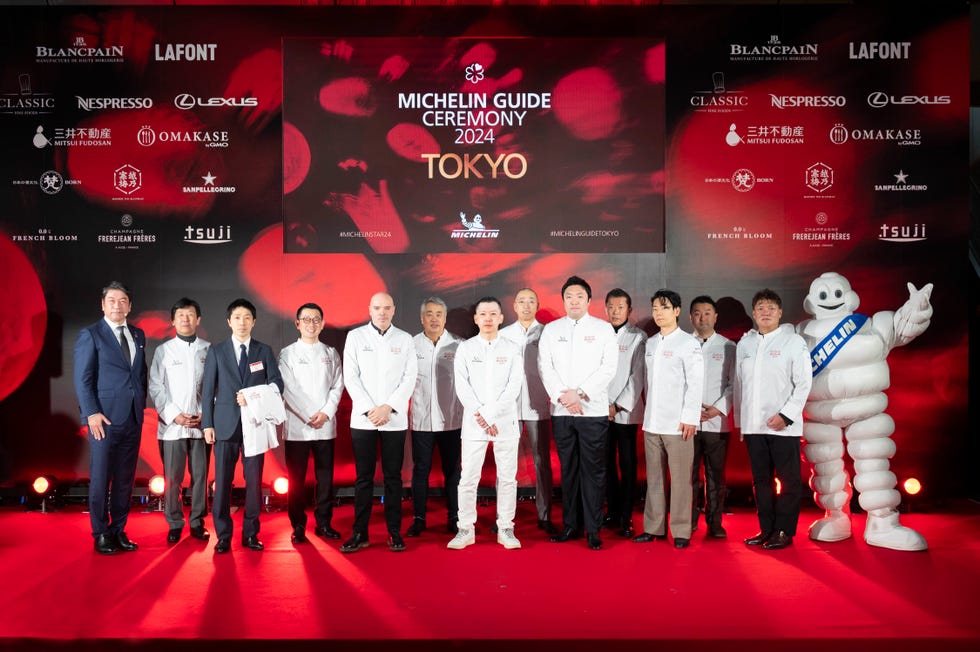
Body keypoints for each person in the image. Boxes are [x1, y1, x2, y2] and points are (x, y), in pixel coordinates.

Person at [538, 275, 618, 550]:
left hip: (592, 410)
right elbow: (544, 367)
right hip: (562, 411)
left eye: (579, 296)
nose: (574, 301)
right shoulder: (551, 330)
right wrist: (565, 396)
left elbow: (608, 368)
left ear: (588, 300)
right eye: (569, 296)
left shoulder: (604, 329)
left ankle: (593, 529)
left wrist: (580, 393)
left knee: (593, 471)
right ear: (563, 300)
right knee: (568, 470)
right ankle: (571, 525)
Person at [202, 298, 283, 554]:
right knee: (223, 483)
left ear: (254, 321)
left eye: (247, 317)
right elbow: (207, 391)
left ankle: (251, 534)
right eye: (237, 317)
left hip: (255, 426)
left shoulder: (264, 351)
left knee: (254, 483)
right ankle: (223, 535)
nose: (242, 322)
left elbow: (277, 385)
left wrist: (254, 395)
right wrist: (207, 424)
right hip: (225, 426)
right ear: (229, 321)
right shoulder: (217, 351)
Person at [74, 281, 148, 555]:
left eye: (122, 301)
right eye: (112, 300)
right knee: (101, 477)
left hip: (132, 417)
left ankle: (118, 529)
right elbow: (83, 379)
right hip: (102, 420)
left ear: (130, 305)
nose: (117, 305)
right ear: (103, 304)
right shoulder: (90, 334)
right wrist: (91, 413)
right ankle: (101, 533)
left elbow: (140, 375)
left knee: (125, 479)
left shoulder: (138, 335)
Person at [735, 289, 812, 551]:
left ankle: (783, 530)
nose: (765, 312)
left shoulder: (793, 342)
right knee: (761, 482)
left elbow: (803, 383)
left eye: (770, 308)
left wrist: (787, 415)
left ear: (779, 312)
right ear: (754, 313)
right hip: (754, 427)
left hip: (783, 427)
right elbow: (739, 386)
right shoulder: (745, 344)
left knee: (789, 481)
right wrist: (742, 424)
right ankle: (766, 528)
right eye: (760, 308)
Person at [342, 292, 418, 553]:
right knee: (363, 478)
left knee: (393, 478)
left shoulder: (405, 339)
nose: (382, 312)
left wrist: (389, 407)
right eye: (377, 308)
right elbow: (350, 377)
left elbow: (409, 378)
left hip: (393, 419)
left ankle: (394, 532)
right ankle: (360, 533)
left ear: (394, 310)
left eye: (387, 308)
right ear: (370, 310)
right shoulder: (355, 337)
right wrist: (370, 409)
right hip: (363, 419)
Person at [448, 297, 524, 550]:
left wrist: (491, 415)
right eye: (483, 314)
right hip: (474, 423)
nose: (488, 318)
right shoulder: (466, 349)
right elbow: (462, 386)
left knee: (507, 478)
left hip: (504, 422)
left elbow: (514, 386)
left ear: (502, 318)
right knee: (468, 478)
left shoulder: (512, 348)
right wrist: (481, 415)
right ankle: (465, 529)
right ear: (476, 319)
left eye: (494, 314)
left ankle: (506, 527)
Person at [633, 290, 704, 549]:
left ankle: (682, 530)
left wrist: (689, 418)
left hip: (678, 424)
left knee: (681, 479)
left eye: (664, 307)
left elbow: (696, 383)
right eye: (654, 308)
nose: (658, 313)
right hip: (653, 422)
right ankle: (654, 527)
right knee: (655, 478)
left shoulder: (688, 343)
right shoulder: (650, 343)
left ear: (676, 311)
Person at [278, 302, 344, 544]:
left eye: (316, 319)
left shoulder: (331, 353)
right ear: (297, 324)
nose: (311, 324)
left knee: (325, 478)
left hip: (325, 425)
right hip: (298, 426)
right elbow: (288, 389)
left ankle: (324, 523)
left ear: (323, 323)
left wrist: (325, 412)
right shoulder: (288, 353)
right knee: (296, 479)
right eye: (306, 319)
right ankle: (297, 524)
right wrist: (309, 414)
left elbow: (338, 385)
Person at [148, 297, 211, 544]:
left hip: (199, 424)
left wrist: (204, 414)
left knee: (200, 477)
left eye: (190, 315)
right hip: (172, 427)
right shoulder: (164, 351)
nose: (186, 319)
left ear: (198, 319)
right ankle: (174, 522)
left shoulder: (209, 349)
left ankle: (197, 522)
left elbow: (214, 388)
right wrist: (175, 414)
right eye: (181, 315)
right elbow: (156, 386)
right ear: (173, 320)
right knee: (172, 478)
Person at [500, 288, 556, 535]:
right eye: (521, 301)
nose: (526, 305)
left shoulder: (547, 334)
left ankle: (544, 514)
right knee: (506, 463)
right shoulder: (503, 335)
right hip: (508, 408)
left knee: (542, 461)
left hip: (538, 405)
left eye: (530, 301)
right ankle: (504, 517)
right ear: (514, 305)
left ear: (537, 305)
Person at [407, 297, 463, 537]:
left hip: (452, 419)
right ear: (422, 318)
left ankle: (454, 517)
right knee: (421, 470)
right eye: (429, 314)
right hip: (421, 419)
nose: (434, 318)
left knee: (453, 470)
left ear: (445, 318)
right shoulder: (410, 345)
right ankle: (419, 518)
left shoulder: (459, 345)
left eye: (438, 314)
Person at [689, 295, 735, 539]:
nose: (702, 318)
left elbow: (734, 384)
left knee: (716, 476)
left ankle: (715, 522)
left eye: (707, 313)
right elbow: (676, 383)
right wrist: (691, 409)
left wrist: (716, 409)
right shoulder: (683, 344)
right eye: (697, 313)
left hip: (717, 422)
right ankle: (689, 520)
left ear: (715, 317)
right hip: (688, 422)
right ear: (690, 317)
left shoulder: (728, 346)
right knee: (688, 475)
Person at [603, 288, 646, 538]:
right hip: (599, 410)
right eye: (611, 306)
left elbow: (637, 375)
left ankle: (626, 516)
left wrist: (617, 405)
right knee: (605, 464)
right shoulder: (597, 334)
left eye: (621, 307)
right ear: (605, 308)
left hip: (625, 413)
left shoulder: (638, 337)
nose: (615, 311)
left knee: (628, 464)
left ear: (629, 311)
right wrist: (602, 405)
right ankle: (611, 511)